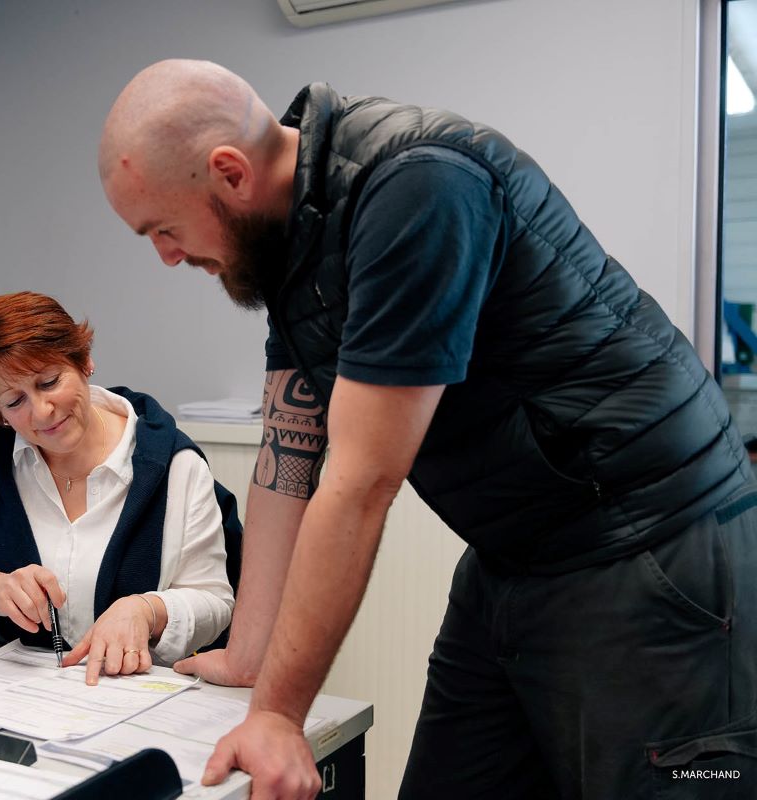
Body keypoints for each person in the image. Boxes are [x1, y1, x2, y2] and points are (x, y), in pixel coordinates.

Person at [98, 59, 757, 799]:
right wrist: (250, 660)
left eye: (162, 227)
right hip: (513, 553)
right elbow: (288, 458)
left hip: (651, 546)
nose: (166, 254)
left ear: (230, 173)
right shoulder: (286, 249)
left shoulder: (418, 184)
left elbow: (360, 482)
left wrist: (280, 715)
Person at [0, 291, 235, 686]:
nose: (42, 411)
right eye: (15, 402)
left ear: (84, 360)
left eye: (49, 382)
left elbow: (215, 601)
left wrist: (146, 610)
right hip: (8, 693)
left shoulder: (174, 464)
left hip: (132, 699)